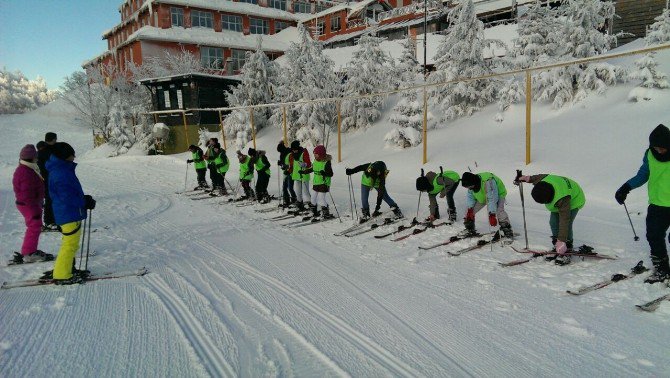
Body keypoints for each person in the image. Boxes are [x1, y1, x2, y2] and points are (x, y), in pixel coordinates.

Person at [615, 124, 670, 284]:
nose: (658, 151)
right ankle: (662, 269)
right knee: (653, 236)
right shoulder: (650, 154)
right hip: (657, 204)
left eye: (662, 148)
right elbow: (643, 174)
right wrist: (625, 188)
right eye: (655, 147)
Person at [46, 142, 96, 284]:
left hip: (66, 212)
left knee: (70, 243)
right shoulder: (61, 173)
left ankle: (69, 268)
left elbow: (69, 193)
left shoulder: (60, 169)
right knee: (70, 245)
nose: (74, 157)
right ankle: (62, 274)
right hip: (68, 213)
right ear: (64, 156)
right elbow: (66, 196)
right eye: (71, 154)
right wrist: (83, 202)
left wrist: (83, 199)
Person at [516, 173, 585, 264]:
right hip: (561, 191)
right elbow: (536, 177)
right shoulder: (544, 181)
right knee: (553, 222)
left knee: (566, 224)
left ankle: (567, 246)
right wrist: (526, 178)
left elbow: (565, 221)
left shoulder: (562, 198)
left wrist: (562, 240)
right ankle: (558, 244)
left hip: (574, 199)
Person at [12, 144, 53, 264]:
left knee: (34, 227)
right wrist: (34, 209)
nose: (37, 158)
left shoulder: (27, 168)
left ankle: (29, 250)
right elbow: (26, 194)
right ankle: (29, 253)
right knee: (34, 227)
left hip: (30, 204)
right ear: (31, 158)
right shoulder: (26, 172)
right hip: (29, 205)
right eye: (36, 156)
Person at [460, 171, 513, 240]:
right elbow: (470, 196)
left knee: (499, 211)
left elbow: (492, 199)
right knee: (468, 212)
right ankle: (470, 228)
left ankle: (506, 229)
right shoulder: (471, 183)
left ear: (474, 182)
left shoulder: (488, 181)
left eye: (470, 187)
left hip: (497, 194)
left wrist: (492, 214)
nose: (469, 189)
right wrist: (470, 209)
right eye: (468, 187)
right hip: (482, 195)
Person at [300, 145, 334, 219]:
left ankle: (326, 212)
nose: (314, 155)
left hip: (324, 183)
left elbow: (331, 174)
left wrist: (324, 173)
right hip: (316, 182)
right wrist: (304, 172)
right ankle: (314, 212)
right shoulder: (315, 160)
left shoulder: (326, 163)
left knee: (321, 199)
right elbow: (312, 169)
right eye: (314, 154)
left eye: (316, 154)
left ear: (321, 154)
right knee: (313, 199)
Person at [38, 132, 58, 231]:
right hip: (47, 180)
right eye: (55, 139)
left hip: (50, 179)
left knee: (52, 199)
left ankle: (53, 220)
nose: (56, 141)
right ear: (52, 139)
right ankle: (49, 221)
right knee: (50, 200)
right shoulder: (46, 151)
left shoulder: (48, 150)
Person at [288, 141, 312, 211]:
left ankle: (311, 205)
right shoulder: (292, 154)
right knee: (298, 191)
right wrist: (288, 171)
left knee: (305, 192)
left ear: (297, 148)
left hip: (304, 174)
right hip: (296, 175)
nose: (294, 151)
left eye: (295, 149)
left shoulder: (304, 152)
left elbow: (309, 164)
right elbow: (292, 166)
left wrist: (304, 164)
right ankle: (299, 203)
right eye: (292, 149)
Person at [277, 140, 297, 208]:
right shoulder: (282, 154)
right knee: (284, 187)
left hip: (290, 173)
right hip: (285, 172)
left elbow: (291, 164)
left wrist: (285, 167)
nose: (280, 152)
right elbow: (284, 164)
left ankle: (294, 200)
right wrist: (281, 164)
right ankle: (287, 200)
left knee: (290, 187)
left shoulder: (289, 153)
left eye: (280, 151)